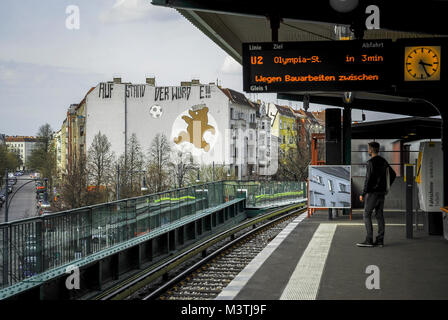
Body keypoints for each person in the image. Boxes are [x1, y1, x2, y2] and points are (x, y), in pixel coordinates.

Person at [357, 141, 396, 248]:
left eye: (368, 148)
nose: (368, 150)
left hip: (372, 193)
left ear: (371, 150)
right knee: (379, 215)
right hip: (381, 193)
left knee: (366, 214)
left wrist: (363, 193)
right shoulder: (384, 161)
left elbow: (368, 179)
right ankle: (380, 240)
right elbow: (393, 174)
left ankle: (369, 240)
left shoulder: (370, 162)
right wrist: (386, 186)